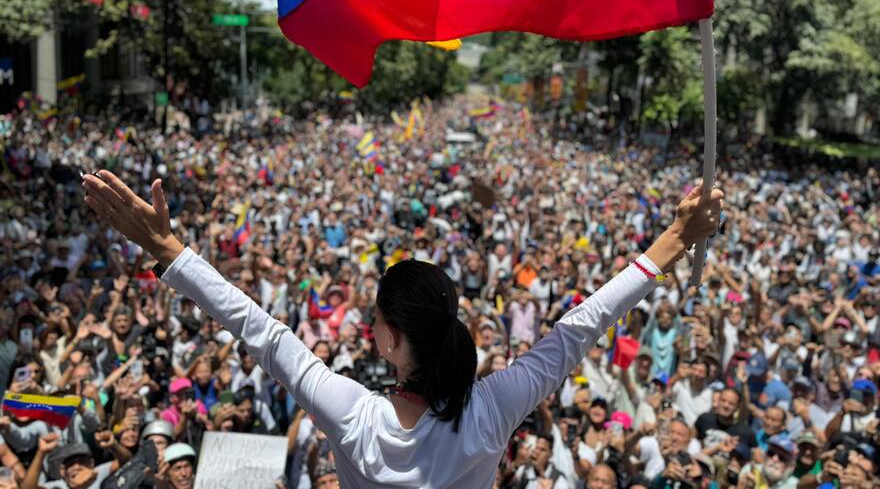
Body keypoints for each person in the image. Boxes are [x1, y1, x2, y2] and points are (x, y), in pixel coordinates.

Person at [81, 167, 722, 487]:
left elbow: (263, 332)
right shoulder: (492, 411)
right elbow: (581, 327)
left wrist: (168, 247)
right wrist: (671, 239)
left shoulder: (353, 417)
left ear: (388, 338)